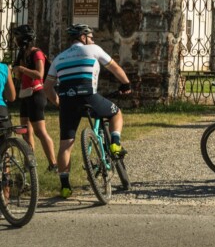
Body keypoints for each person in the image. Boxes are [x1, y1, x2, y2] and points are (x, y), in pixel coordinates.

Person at [43, 24, 132, 199]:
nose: (92, 40)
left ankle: (65, 186)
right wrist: (126, 84)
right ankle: (114, 143)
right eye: (90, 37)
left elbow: (47, 87)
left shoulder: (59, 58)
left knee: (65, 145)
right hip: (89, 97)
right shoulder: (93, 49)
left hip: (68, 102)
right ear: (83, 37)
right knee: (116, 113)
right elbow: (114, 68)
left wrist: (59, 103)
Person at [10, 25, 58, 172]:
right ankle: (29, 164)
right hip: (25, 95)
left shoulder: (37, 53)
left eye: (17, 37)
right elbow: (18, 76)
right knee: (25, 131)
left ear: (24, 39)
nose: (15, 40)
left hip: (37, 94)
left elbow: (39, 74)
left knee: (40, 131)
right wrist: (17, 72)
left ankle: (53, 165)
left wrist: (22, 69)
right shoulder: (22, 53)